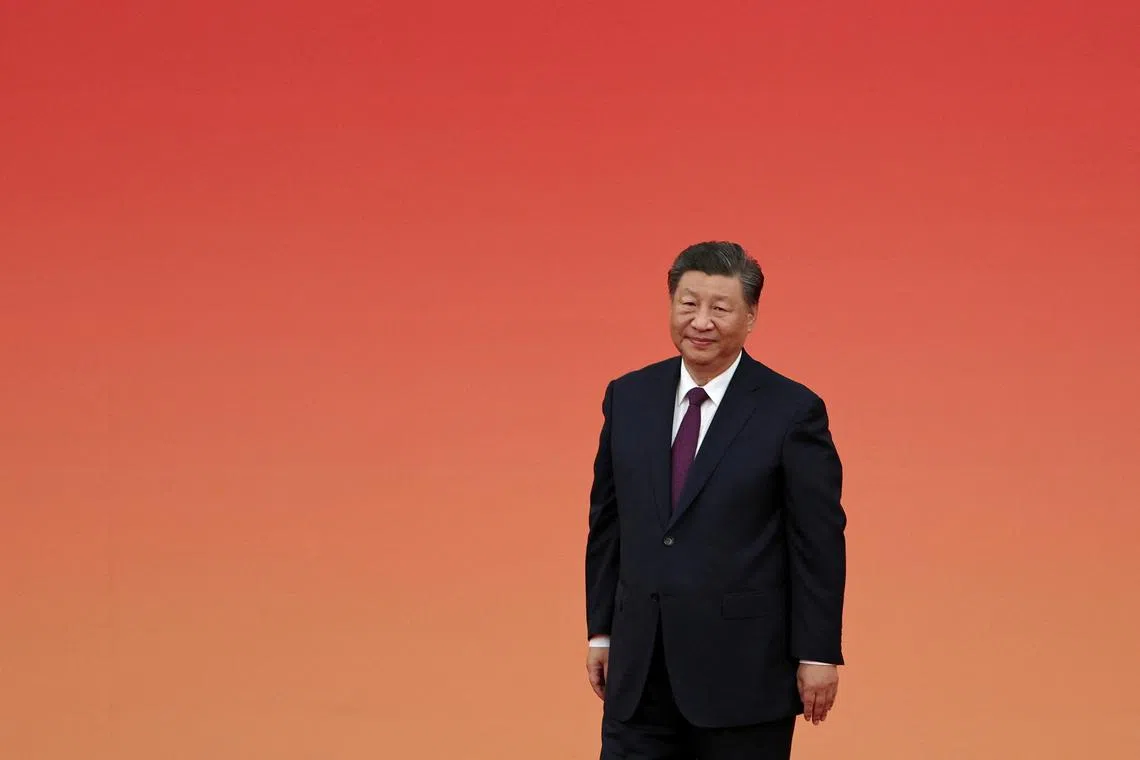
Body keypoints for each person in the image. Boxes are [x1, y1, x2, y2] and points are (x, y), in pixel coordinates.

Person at [584, 241, 847, 759]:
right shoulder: (628, 396)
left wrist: (817, 652)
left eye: (720, 308)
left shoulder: (792, 411)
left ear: (750, 318)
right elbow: (607, 524)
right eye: (688, 304)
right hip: (640, 671)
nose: (700, 321)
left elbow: (817, 541)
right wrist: (601, 633)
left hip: (744, 674)